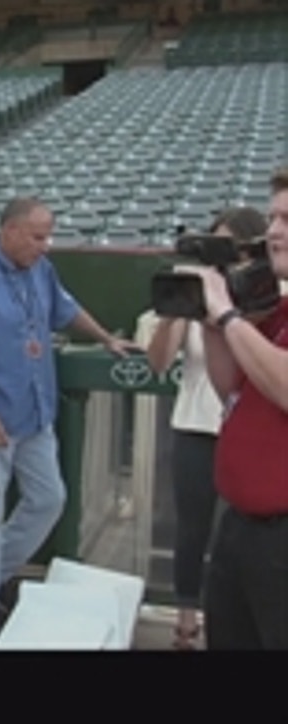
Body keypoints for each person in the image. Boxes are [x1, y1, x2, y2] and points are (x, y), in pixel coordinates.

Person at [0, 197, 139, 644]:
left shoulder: (39, 269)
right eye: (37, 236)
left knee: (49, 499)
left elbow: (65, 309)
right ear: (8, 230)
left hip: (33, 410)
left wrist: (107, 338)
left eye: (48, 236)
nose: (45, 246)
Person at [141, 207, 271, 650]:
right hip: (196, 423)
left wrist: (228, 309)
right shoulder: (205, 296)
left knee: (241, 538)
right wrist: (183, 306)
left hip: (250, 437)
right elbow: (158, 364)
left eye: (229, 251)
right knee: (192, 528)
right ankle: (185, 620)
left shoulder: (268, 298)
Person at [178, 168, 288, 650]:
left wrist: (227, 313)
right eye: (273, 217)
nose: (275, 232)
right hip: (241, 526)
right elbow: (233, 392)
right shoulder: (279, 312)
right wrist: (209, 319)